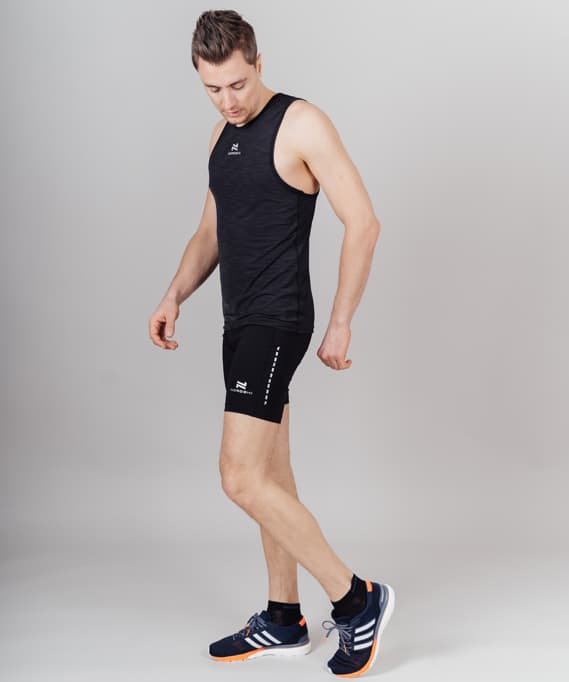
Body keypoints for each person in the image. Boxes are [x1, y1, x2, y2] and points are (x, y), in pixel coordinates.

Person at [148, 9, 394, 678]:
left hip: (278, 320)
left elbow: (363, 222)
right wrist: (174, 295)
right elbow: (211, 233)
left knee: (239, 477)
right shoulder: (220, 136)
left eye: (237, 84)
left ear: (258, 63)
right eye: (212, 89)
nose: (228, 101)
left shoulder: (301, 123)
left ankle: (357, 599)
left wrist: (341, 321)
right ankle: (283, 618)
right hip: (238, 321)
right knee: (271, 477)